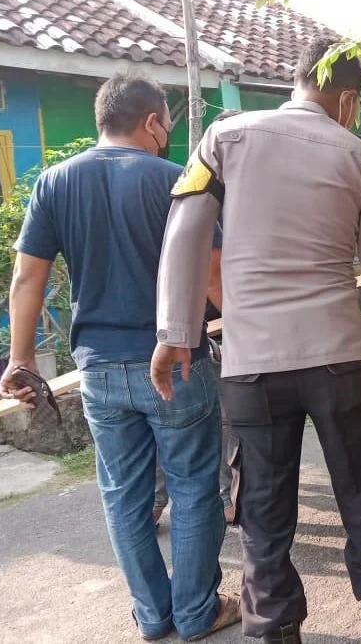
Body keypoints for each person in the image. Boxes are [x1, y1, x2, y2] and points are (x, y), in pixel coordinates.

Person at [150, 40, 361, 644]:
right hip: (340, 359)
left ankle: (275, 630)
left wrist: (175, 335)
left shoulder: (225, 139)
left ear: (297, 82)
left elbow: (184, 229)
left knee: (260, 504)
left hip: (251, 365)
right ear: (348, 98)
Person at [0, 74, 241, 641]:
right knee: (192, 487)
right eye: (167, 126)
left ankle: (154, 616)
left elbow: (26, 276)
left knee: (123, 495)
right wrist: (253, 340)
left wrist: (19, 358)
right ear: (153, 122)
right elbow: (212, 275)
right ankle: (197, 611)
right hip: (176, 363)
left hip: (99, 370)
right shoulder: (177, 180)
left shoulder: (55, 181)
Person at [153, 107, 244, 528]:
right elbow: (211, 276)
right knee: (220, 418)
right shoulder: (210, 186)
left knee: (165, 421)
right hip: (206, 328)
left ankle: (156, 501)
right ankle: (225, 496)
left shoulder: (197, 181)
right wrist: (244, 321)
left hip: (186, 326)